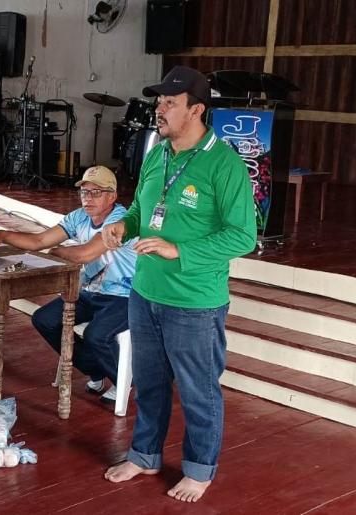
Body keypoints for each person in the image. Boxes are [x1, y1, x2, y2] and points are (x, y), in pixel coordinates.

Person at [101, 66, 257, 502]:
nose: (160, 110)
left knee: (197, 389)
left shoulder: (224, 163)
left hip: (195, 301)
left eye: (170, 103)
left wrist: (179, 251)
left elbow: (243, 235)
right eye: (158, 102)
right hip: (145, 291)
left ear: (197, 110)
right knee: (149, 384)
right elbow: (141, 211)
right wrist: (123, 226)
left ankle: (200, 469)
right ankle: (144, 454)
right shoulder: (158, 153)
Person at [0, 166, 137, 402]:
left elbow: (84, 254)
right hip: (90, 292)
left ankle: (123, 381)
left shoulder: (121, 220)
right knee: (45, 320)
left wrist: (58, 251)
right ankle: (95, 370)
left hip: (124, 295)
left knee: (96, 335)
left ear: (112, 196)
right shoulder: (79, 217)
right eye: (84, 192)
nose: (88, 198)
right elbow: (39, 240)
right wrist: (0, 234)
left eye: (96, 192)